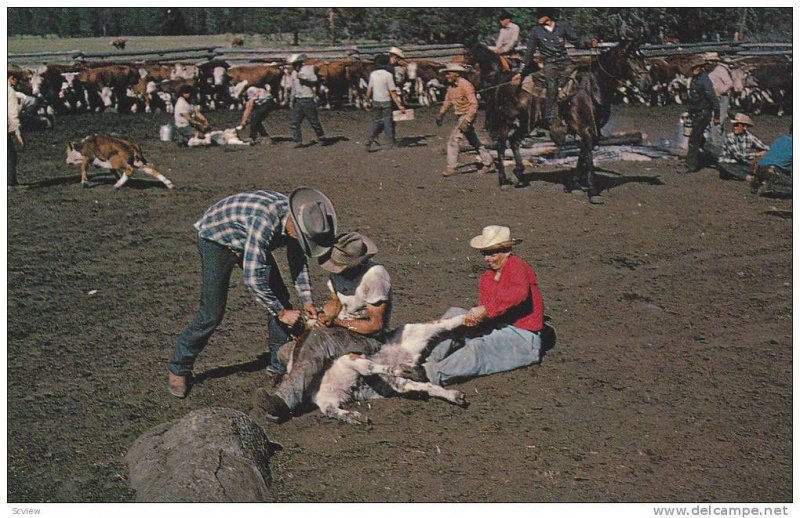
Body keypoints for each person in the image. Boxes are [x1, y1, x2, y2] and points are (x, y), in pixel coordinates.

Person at [167, 188, 338, 398]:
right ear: (293, 224)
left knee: (280, 299)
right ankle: (179, 368)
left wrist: (306, 300)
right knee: (212, 312)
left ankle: (278, 365)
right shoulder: (265, 221)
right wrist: (281, 313)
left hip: (248, 238)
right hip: (218, 239)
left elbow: (297, 261)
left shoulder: (299, 220)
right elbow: (252, 277)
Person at [253, 231, 392, 422]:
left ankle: (283, 402)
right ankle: (306, 386)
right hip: (340, 331)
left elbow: (375, 325)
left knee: (317, 342)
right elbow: (335, 301)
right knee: (286, 351)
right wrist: (321, 315)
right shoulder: (339, 273)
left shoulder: (375, 277)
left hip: (367, 338)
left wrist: (337, 323)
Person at [404, 225, 544, 387]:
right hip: (498, 327)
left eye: (492, 253)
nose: (487, 258)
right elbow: (489, 309)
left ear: (506, 250)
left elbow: (518, 293)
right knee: (455, 314)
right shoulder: (487, 277)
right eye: (485, 253)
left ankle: (430, 373)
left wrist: (484, 311)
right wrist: (472, 319)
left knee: (477, 348)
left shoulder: (516, 265)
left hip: (522, 337)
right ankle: (426, 358)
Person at [518, 8, 580, 143]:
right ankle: (550, 116)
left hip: (565, 62)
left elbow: (576, 40)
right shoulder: (536, 31)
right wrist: (520, 71)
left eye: (540, 16)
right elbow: (529, 52)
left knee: (580, 79)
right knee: (551, 84)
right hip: (550, 64)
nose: (537, 19)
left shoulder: (562, 26)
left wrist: (588, 43)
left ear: (547, 17)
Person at [436, 63, 496, 177]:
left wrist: (467, 120)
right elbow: (448, 101)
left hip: (467, 115)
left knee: (453, 140)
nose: (447, 76)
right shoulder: (451, 87)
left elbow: (474, 104)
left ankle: (451, 166)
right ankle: (488, 162)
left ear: (456, 74)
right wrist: (441, 113)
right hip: (460, 115)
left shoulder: (466, 85)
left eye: (449, 73)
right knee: (474, 141)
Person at [685, 57, 720, 173]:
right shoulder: (696, 79)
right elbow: (693, 99)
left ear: (700, 68)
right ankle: (717, 155)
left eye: (695, 67)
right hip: (697, 112)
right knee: (699, 139)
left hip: (704, 112)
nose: (693, 69)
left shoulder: (704, 80)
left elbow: (712, 96)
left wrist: (717, 114)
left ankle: (691, 165)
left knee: (694, 139)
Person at [365, 54, 406, 151]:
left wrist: (367, 100)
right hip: (386, 101)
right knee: (388, 122)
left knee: (377, 121)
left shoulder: (373, 74)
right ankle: (390, 143)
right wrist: (399, 105)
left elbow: (369, 89)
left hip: (376, 101)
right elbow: (392, 91)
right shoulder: (388, 75)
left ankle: (370, 139)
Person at [288, 53, 327, 148]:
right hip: (298, 98)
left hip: (307, 98)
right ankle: (298, 141)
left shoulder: (308, 70)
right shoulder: (293, 73)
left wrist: (303, 78)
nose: (294, 66)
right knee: (295, 122)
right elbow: (294, 87)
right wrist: (291, 98)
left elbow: (314, 80)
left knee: (313, 120)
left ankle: (321, 138)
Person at [717, 113, 768, 181]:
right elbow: (738, 155)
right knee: (724, 165)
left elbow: (764, 147)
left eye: (737, 125)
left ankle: (756, 174)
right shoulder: (730, 137)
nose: (734, 127)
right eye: (734, 125)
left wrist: (765, 152)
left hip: (742, 163)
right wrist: (756, 154)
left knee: (753, 167)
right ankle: (748, 177)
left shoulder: (750, 137)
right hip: (729, 163)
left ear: (744, 127)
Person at [751, 129, 792, 194]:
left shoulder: (780, 139)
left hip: (760, 167)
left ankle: (759, 181)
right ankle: (770, 186)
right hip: (774, 170)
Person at [706, 53, 734, 147]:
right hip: (711, 97)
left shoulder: (720, 70)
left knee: (717, 121)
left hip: (721, 97)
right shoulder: (708, 71)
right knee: (712, 120)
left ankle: (717, 143)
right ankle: (720, 142)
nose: (710, 63)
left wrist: (720, 91)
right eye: (709, 61)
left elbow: (729, 83)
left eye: (712, 61)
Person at [8, 73, 24, 187]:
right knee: (10, 155)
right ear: (11, 78)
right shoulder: (10, 92)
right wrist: (17, 131)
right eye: (16, 79)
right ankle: (10, 181)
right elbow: (12, 113)